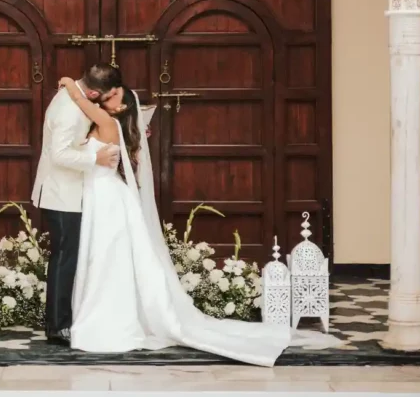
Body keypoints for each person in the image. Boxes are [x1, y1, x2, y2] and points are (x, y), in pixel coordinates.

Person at [57, 77, 293, 368]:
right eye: (112, 90)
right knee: (104, 256)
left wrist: (70, 83)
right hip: (100, 196)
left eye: (117, 94)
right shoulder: (106, 121)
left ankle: (106, 318)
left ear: (122, 108)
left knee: (107, 256)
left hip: (107, 200)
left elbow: (80, 101)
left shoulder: (107, 121)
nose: (110, 95)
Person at [31, 63, 122, 345]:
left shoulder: (74, 96)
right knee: (64, 258)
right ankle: (57, 326)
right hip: (62, 194)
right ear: (93, 92)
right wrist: (94, 158)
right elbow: (59, 155)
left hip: (70, 192)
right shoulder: (69, 110)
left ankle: (64, 319)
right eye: (104, 97)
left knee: (68, 257)